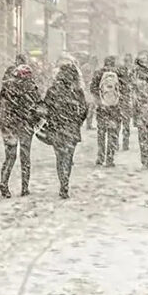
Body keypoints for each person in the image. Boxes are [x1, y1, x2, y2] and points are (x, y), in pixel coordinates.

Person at [0, 58, 42, 198]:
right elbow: (38, 107)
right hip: (25, 125)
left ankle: (4, 182)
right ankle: (25, 187)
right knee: (25, 157)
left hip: (9, 125)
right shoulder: (31, 87)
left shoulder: (7, 87)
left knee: (10, 156)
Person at [42, 63, 88, 198]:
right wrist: (77, 122)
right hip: (71, 128)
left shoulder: (53, 90)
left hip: (57, 127)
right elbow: (84, 110)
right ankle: (65, 182)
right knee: (68, 157)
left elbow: (45, 108)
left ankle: (62, 181)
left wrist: (51, 120)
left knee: (59, 157)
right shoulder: (77, 91)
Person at [90, 56, 124, 166]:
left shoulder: (98, 73)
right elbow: (124, 90)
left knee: (101, 132)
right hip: (115, 108)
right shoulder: (119, 74)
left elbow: (93, 88)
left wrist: (100, 100)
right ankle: (110, 157)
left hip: (102, 108)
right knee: (112, 133)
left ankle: (100, 156)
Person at [118, 53, 134, 151]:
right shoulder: (121, 71)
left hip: (126, 101)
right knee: (120, 123)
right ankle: (120, 142)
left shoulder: (133, 71)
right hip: (122, 100)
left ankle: (125, 142)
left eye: (128, 60)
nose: (127, 62)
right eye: (126, 60)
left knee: (125, 124)